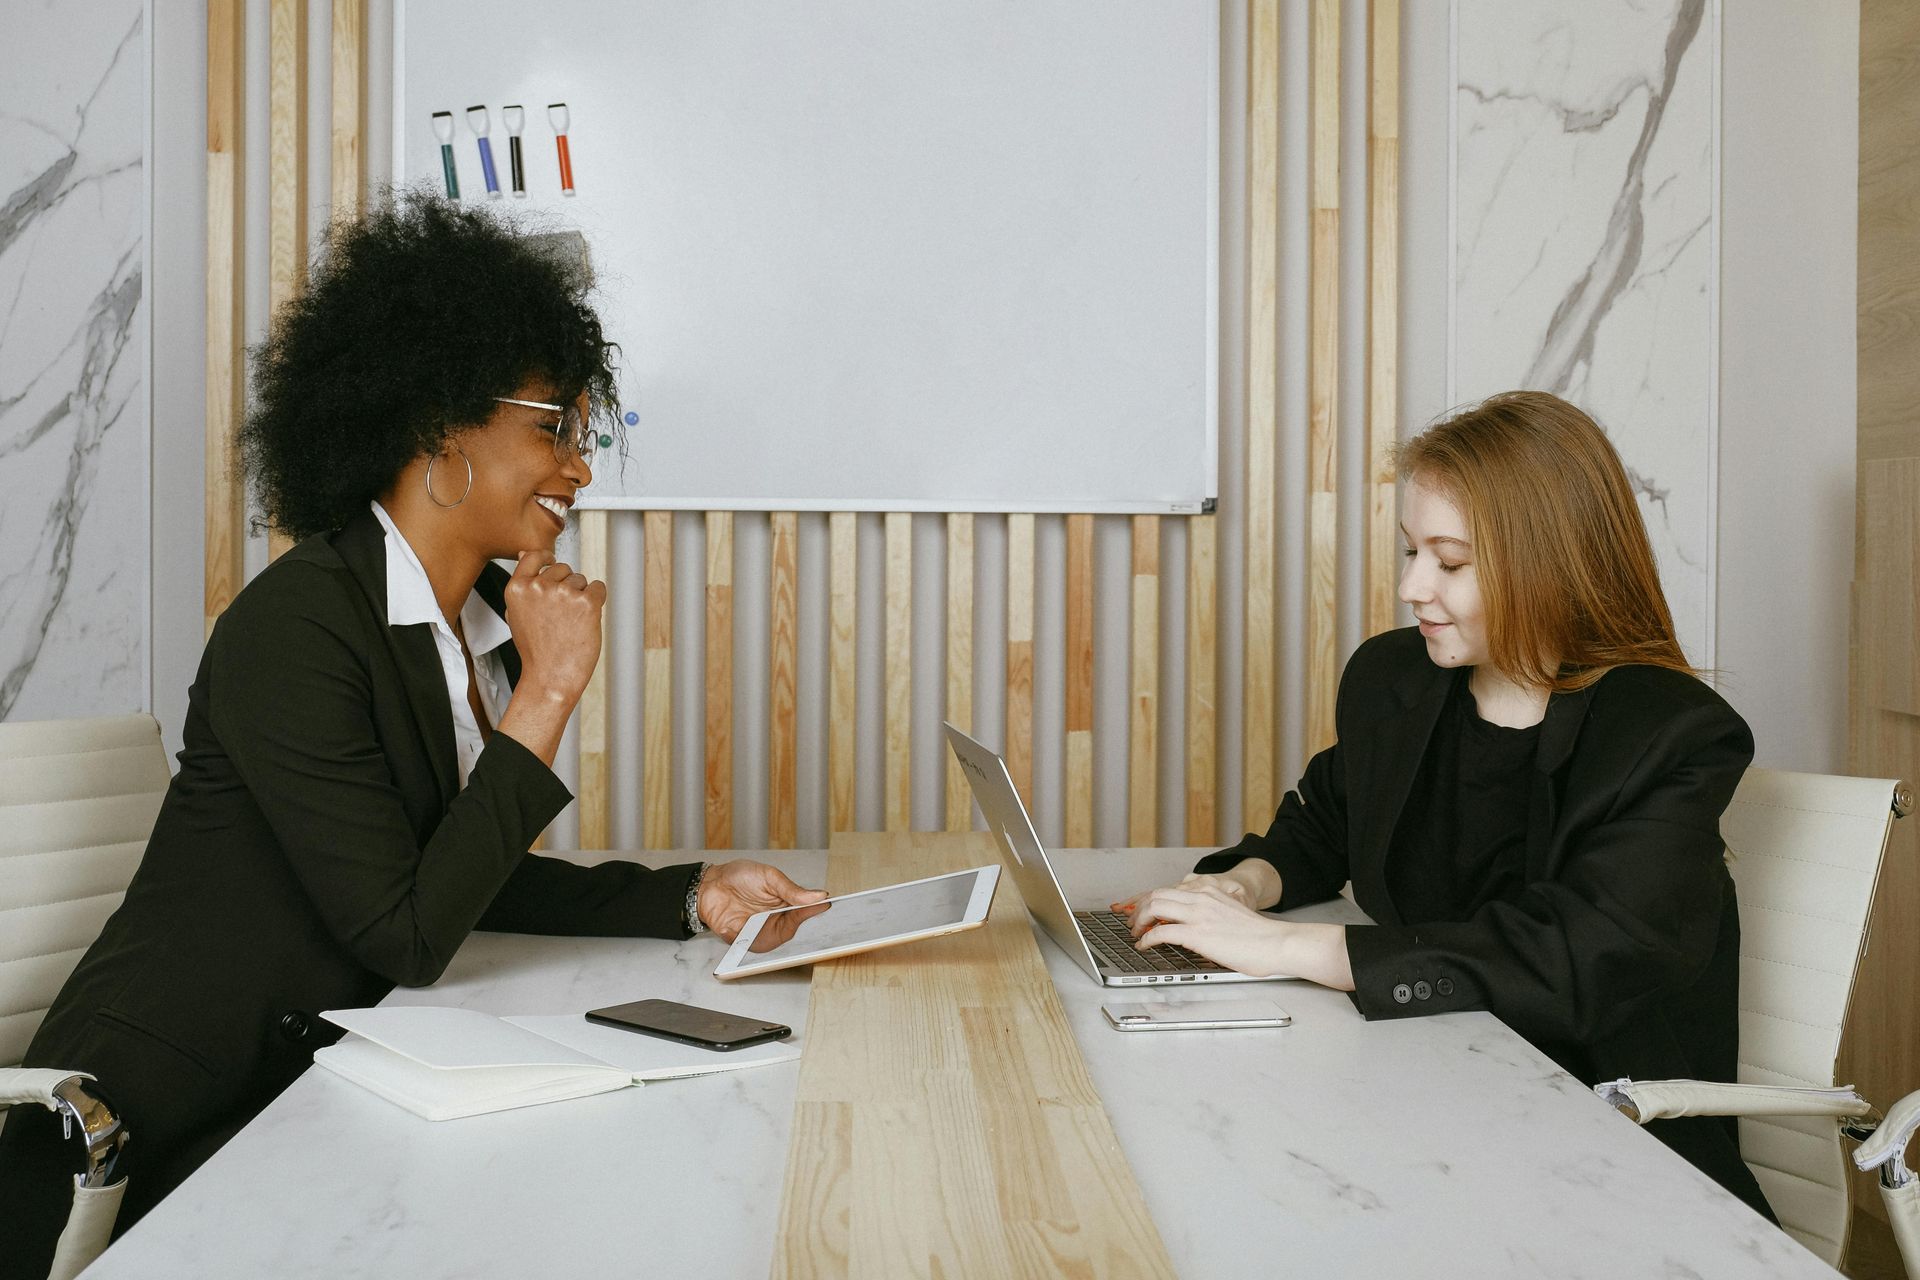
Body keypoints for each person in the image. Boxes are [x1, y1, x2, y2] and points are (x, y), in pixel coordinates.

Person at [0, 194, 824, 1276]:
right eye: (551, 427)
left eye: (585, 431)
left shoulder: (462, 624)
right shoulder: (298, 625)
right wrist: (548, 694)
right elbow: (406, 930)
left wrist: (689, 889)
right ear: (438, 424)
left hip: (313, 1095)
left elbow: (453, 874)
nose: (580, 464)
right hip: (153, 1135)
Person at [1121, 391, 1772, 1220]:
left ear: (1553, 561)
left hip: (1608, 1145)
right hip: (1423, 1085)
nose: (1410, 586)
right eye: (1411, 552)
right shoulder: (1397, 678)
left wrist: (1288, 948)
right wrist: (1244, 887)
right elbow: (1328, 820)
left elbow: (1573, 957)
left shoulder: (1670, 732)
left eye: (1450, 562)